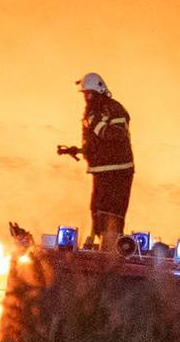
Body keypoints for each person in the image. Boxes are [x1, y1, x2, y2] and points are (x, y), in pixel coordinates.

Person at [56, 72, 134, 247]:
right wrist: (78, 149)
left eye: (88, 94)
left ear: (99, 91)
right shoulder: (94, 113)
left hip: (118, 171)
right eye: (84, 95)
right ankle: (103, 245)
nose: (86, 98)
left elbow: (117, 135)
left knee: (112, 212)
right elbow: (100, 144)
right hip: (102, 171)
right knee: (97, 210)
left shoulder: (113, 109)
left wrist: (95, 123)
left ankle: (113, 249)